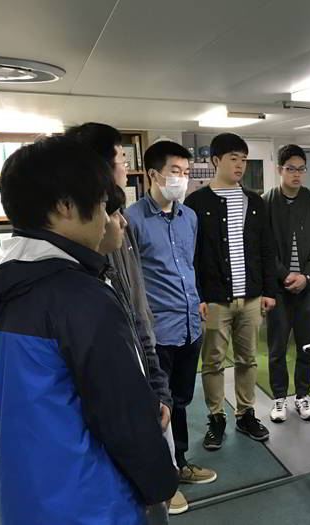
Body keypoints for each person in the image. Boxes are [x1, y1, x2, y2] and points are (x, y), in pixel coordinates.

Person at [0, 136, 178, 524]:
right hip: (92, 500)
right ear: (66, 206)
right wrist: (161, 483)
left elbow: (0, 402)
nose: (106, 219)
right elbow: (123, 417)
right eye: (100, 204)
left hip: (25, 494)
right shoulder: (80, 297)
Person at [66, 123, 192, 515]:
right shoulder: (112, 224)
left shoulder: (130, 217)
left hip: (164, 330)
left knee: (174, 403)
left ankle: (174, 469)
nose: (125, 165)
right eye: (121, 158)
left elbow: (136, 298)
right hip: (144, 342)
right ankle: (163, 481)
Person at [125, 141, 216, 490]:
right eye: (175, 171)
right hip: (157, 330)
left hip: (190, 325)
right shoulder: (131, 220)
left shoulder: (188, 217)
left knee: (180, 401)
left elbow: (189, 267)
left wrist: (198, 303)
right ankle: (162, 480)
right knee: (157, 405)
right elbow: (130, 278)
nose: (182, 178)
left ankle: (180, 463)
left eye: (186, 172)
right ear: (153, 174)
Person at [184, 133, 277, 449]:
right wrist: (199, 296)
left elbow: (266, 249)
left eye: (243, 159)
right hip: (215, 299)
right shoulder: (196, 203)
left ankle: (246, 413)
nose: (240, 165)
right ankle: (216, 417)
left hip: (251, 297)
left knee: (248, 359)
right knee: (212, 362)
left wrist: (269, 290)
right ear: (215, 161)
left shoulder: (255, 201)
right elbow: (192, 255)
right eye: (233, 158)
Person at [262, 144, 310, 422]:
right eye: (291, 169)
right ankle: (279, 398)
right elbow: (264, 246)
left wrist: (307, 275)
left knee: (306, 345)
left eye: (301, 169)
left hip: (308, 288)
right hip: (278, 289)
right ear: (280, 169)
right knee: (277, 348)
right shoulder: (265, 202)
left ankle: (302, 396)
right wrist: (284, 275)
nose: (297, 174)